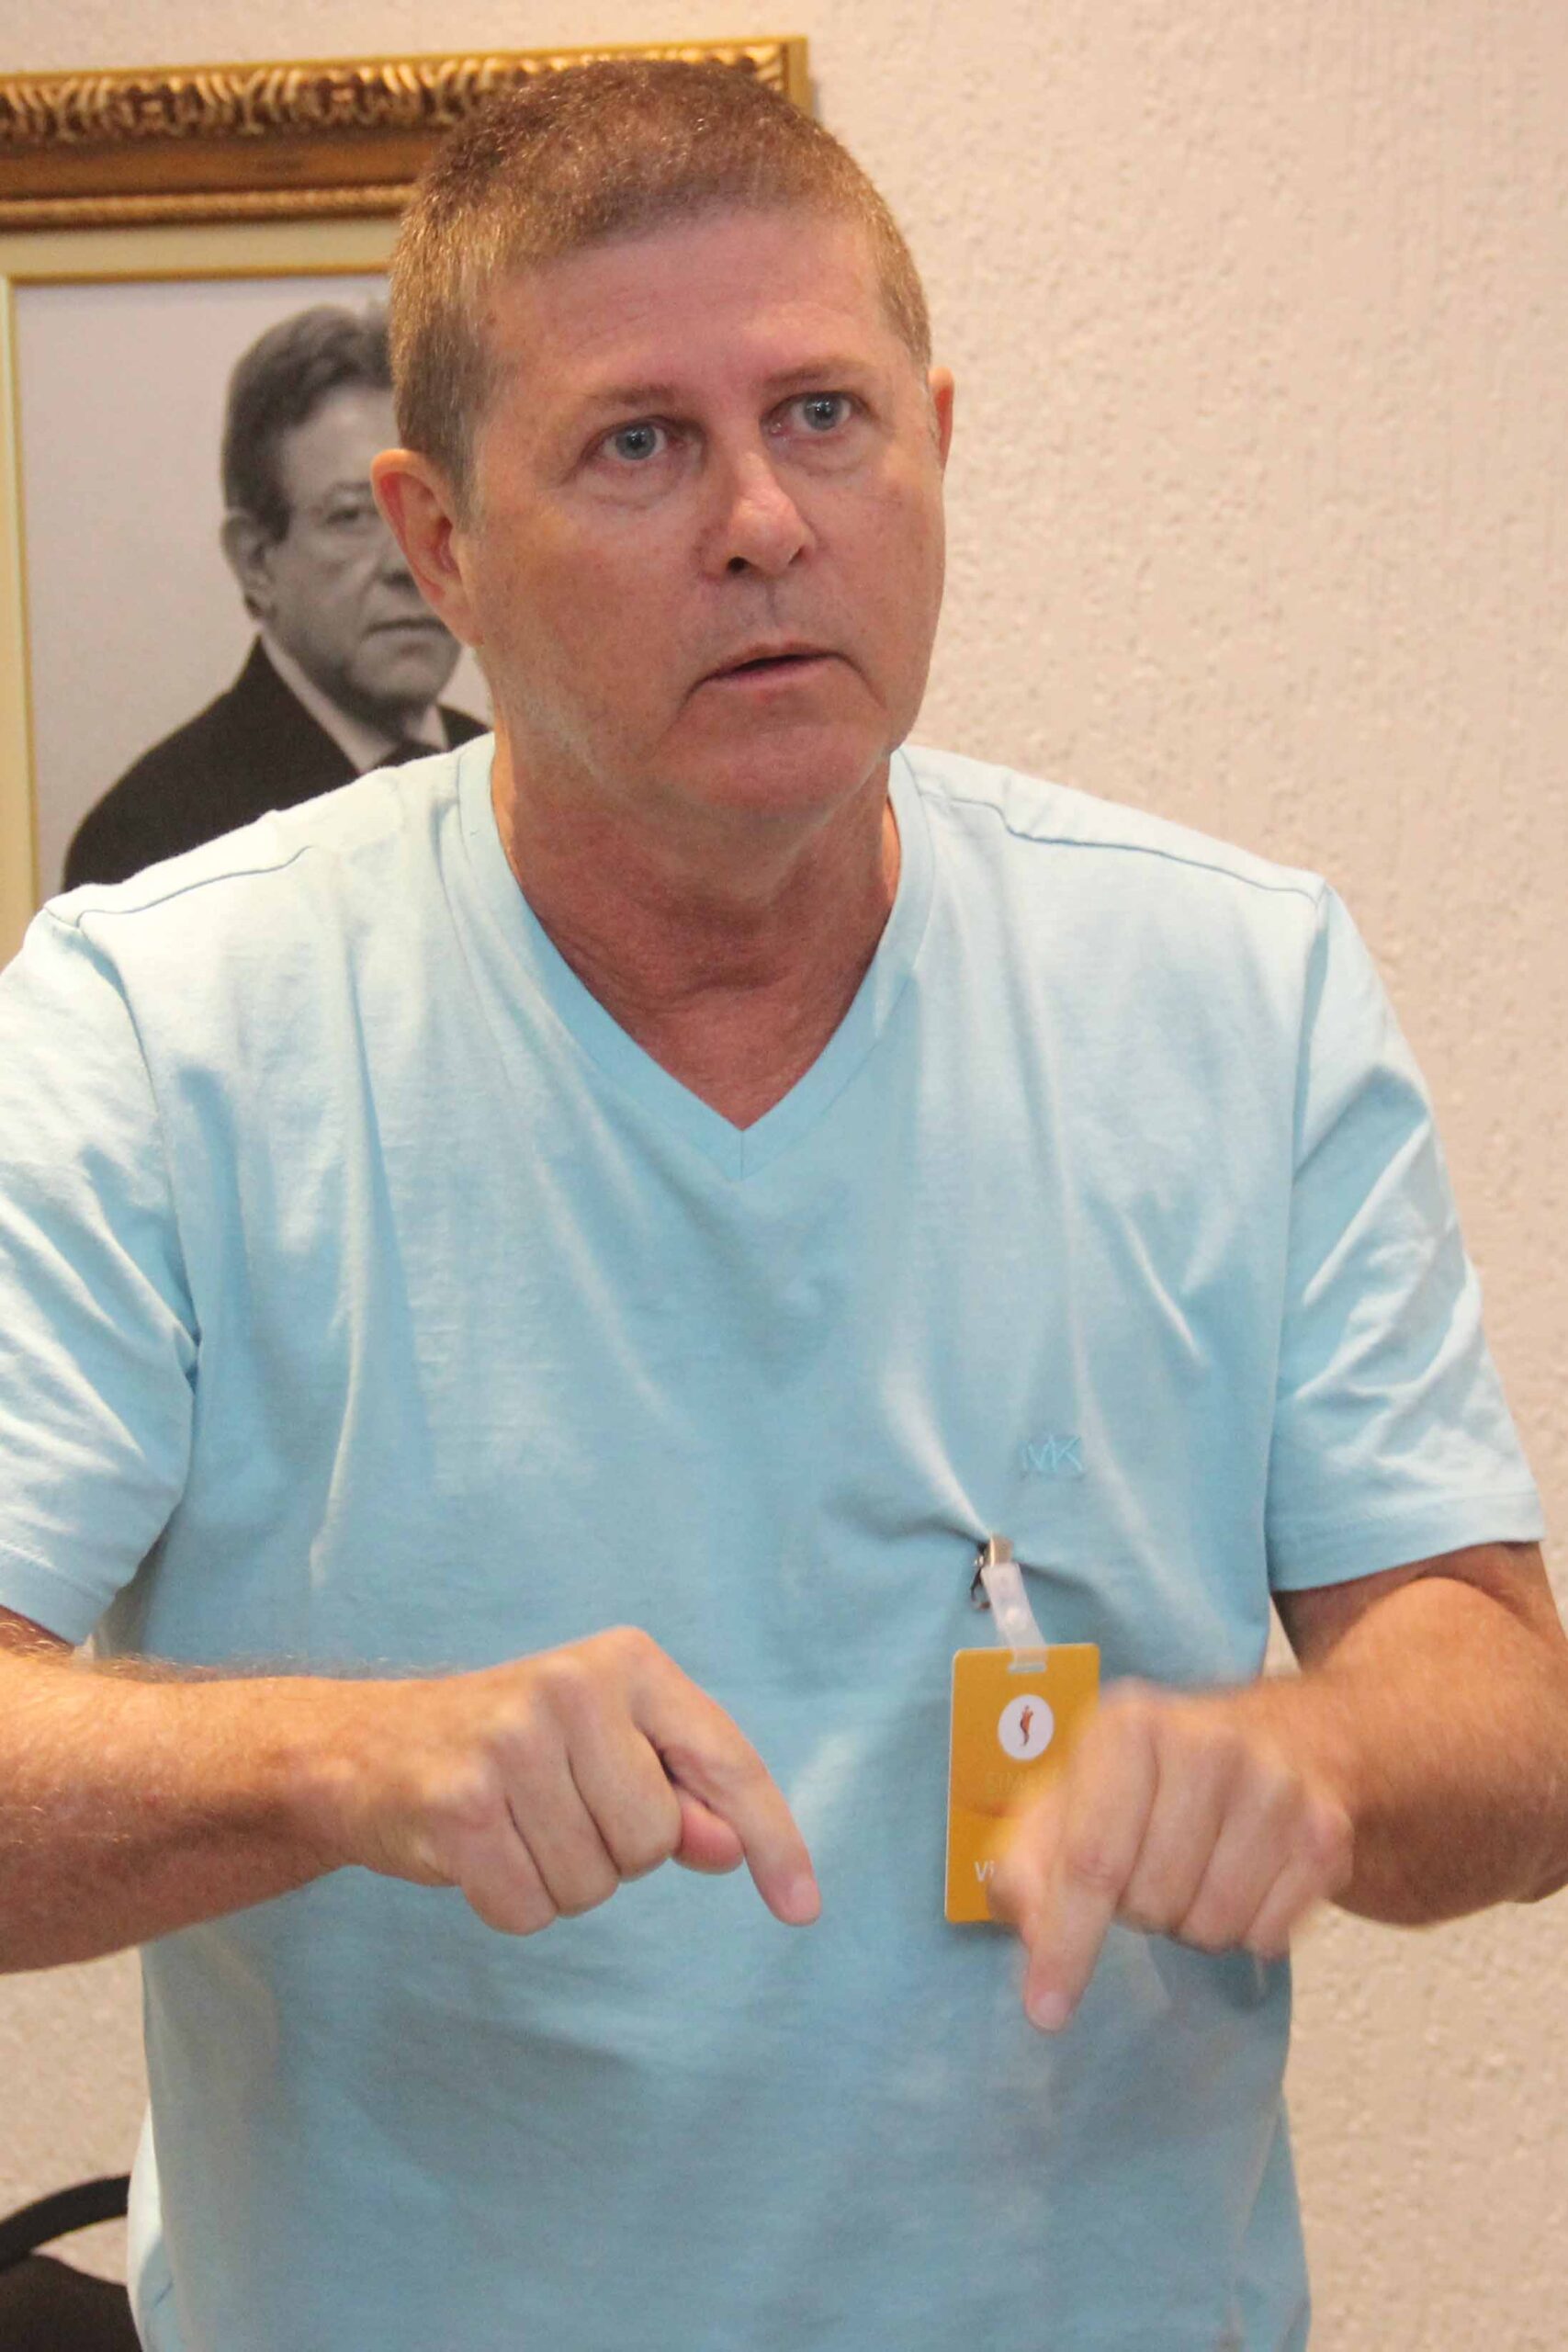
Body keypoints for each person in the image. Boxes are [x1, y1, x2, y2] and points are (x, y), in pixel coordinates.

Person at [0, 57, 1562, 2352]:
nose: (760, 520)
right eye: (637, 444)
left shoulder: (1233, 987)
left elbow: (1502, 1709)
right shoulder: (161, 1023)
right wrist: (339, 1757)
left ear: (936, 439)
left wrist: (1313, 1758)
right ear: (437, 542)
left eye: (824, 417)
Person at [62, 304, 486, 890]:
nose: (407, 562)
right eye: (350, 516)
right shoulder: (155, 840)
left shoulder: (507, 780)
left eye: (431, 510)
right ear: (256, 560)